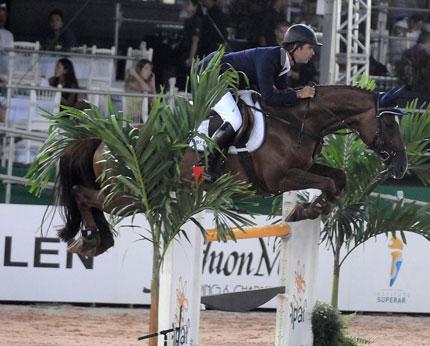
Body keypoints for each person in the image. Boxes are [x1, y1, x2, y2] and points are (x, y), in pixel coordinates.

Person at [195, 24, 321, 182]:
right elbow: (269, 97)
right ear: (296, 46)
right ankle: (203, 165)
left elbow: (282, 93)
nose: (313, 52)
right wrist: (298, 94)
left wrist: (300, 95)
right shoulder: (269, 58)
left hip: (231, 83)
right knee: (235, 119)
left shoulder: (283, 63)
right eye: (310, 47)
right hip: (211, 75)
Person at [175, 0, 203, 90]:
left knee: (187, 81)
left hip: (190, 54)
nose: (186, 6)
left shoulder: (196, 21)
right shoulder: (188, 21)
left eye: (189, 4)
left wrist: (191, 58)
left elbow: (195, 41)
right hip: (183, 53)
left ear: (195, 7)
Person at [0, 4, 13, 85]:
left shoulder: (9, 34)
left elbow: (9, 51)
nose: (1, 18)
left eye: (3, 16)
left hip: (4, 65)